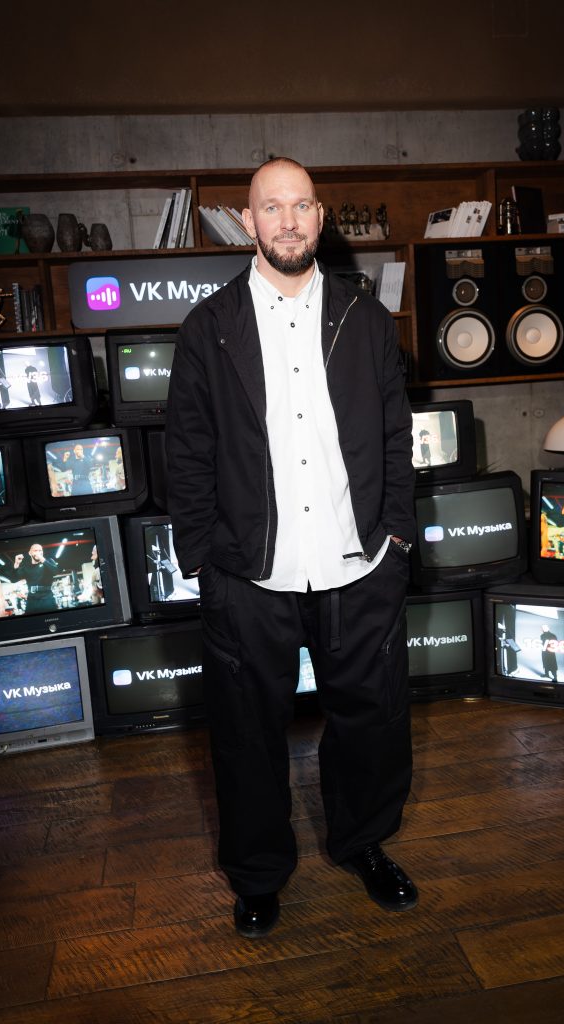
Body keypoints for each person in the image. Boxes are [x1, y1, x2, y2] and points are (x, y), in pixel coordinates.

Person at [166, 157, 417, 939]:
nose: (287, 221)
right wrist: (202, 558)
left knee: (370, 722)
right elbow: (187, 452)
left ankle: (363, 843)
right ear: (248, 222)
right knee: (245, 737)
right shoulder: (208, 327)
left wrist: (395, 535)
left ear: (319, 217)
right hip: (248, 574)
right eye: (270, 207)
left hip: (357, 563)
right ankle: (257, 874)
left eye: (300, 206)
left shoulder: (365, 318)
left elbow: (395, 434)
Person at [12, 543, 60, 614]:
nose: (38, 552)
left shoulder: (49, 561)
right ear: (30, 553)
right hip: (32, 600)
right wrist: (16, 564)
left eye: (40, 550)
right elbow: (14, 579)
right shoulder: (26, 567)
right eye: (35, 550)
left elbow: (55, 571)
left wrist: (42, 559)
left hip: (47, 598)